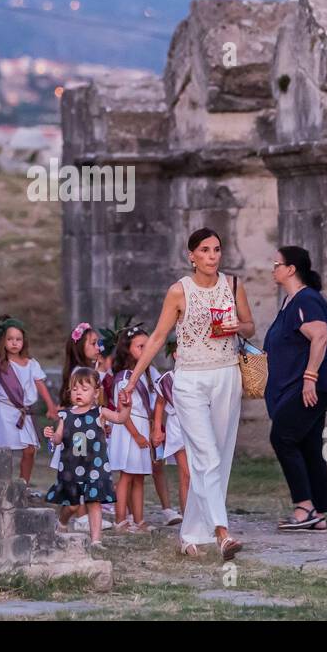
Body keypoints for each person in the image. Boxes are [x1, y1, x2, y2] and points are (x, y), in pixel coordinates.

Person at [123, 228, 254, 561]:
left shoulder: (233, 285)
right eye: (205, 250)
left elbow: (250, 326)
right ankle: (222, 534)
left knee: (219, 458)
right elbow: (156, 338)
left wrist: (235, 327)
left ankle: (190, 534)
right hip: (190, 379)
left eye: (217, 250)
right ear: (191, 255)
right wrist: (130, 381)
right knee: (205, 456)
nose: (212, 256)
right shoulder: (178, 292)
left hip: (227, 375)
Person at [264, 247, 327, 533]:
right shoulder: (291, 302)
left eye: (277, 264)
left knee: (282, 436)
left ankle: (304, 506)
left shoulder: (306, 299)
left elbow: (320, 337)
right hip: (299, 386)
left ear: (291, 269)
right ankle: (318, 514)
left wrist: (310, 377)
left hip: (310, 386)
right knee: (308, 444)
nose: (273, 268)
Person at [43, 367, 131, 549]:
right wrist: (51, 435)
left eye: (84, 389)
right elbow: (58, 439)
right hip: (70, 468)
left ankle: (96, 541)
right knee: (73, 505)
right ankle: (62, 522)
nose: (79, 393)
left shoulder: (100, 412)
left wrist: (126, 407)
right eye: (75, 389)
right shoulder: (65, 415)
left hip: (95, 467)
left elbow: (120, 418)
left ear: (95, 392)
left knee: (94, 502)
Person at [0, 318, 54, 483]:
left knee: (30, 449)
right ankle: (3, 485)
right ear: (3, 341)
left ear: (24, 342)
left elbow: (40, 384)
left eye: (18, 339)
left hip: (24, 413)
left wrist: (51, 406)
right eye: (10, 339)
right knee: (4, 450)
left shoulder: (31, 363)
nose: (14, 343)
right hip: (4, 411)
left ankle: (23, 485)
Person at [109, 325, 160, 531]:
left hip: (142, 426)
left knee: (139, 477)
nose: (146, 350)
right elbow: (122, 410)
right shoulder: (124, 377)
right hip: (129, 429)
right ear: (127, 349)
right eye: (140, 346)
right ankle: (120, 519)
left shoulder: (148, 374)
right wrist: (137, 434)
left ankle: (139, 520)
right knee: (127, 476)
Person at [149, 340, 188, 526]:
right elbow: (159, 403)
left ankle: (201, 516)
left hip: (198, 426)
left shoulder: (200, 377)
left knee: (200, 474)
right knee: (186, 474)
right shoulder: (168, 379)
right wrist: (157, 428)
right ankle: (188, 519)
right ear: (175, 354)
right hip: (177, 428)